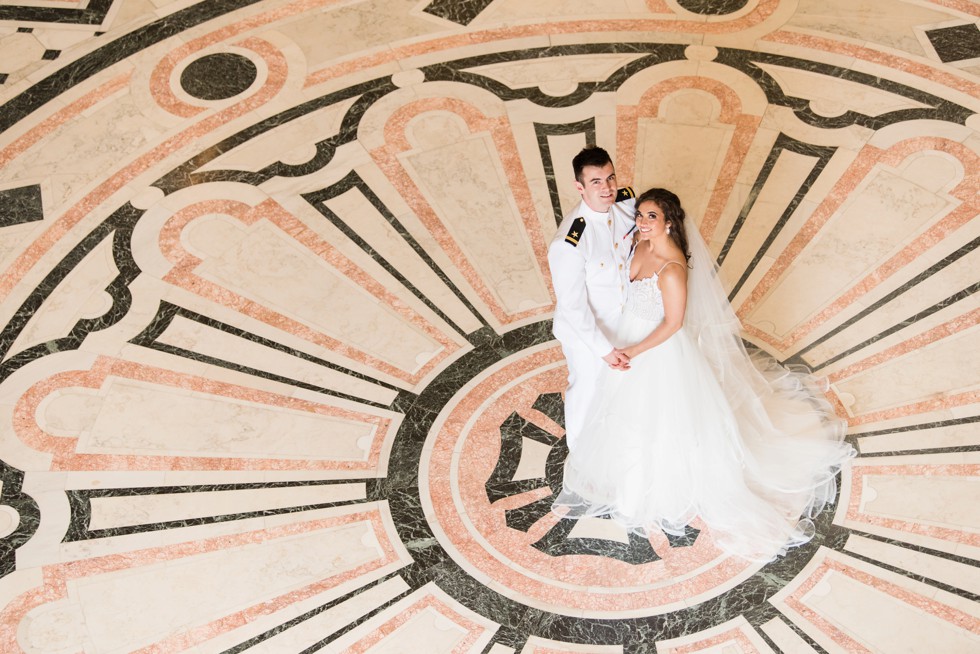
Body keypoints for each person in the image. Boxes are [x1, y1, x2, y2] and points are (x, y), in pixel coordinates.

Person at [553, 188, 855, 562]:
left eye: (651, 217)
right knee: (620, 412)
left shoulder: (672, 268)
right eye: (641, 215)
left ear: (668, 223)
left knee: (656, 419)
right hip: (627, 335)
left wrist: (633, 351)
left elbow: (674, 324)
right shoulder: (641, 245)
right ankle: (624, 480)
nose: (642, 223)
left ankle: (648, 489)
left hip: (656, 350)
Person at [548, 146, 636, 451]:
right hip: (587, 337)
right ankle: (583, 460)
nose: (608, 188)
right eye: (596, 182)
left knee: (623, 392)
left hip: (624, 322)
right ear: (579, 187)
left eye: (610, 178)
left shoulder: (626, 201)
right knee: (586, 393)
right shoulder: (569, 241)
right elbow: (573, 306)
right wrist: (604, 349)